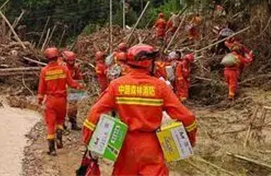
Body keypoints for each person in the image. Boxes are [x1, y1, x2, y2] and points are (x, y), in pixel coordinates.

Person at [81, 44, 197, 176]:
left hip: (125, 148)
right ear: (149, 63)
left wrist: (88, 140)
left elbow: (94, 113)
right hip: (152, 148)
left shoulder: (116, 85)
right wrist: (190, 140)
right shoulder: (160, 87)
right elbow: (187, 117)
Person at [38, 47, 83, 156]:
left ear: (47, 58)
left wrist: (39, 100)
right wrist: (80, 86)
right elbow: (72, 83)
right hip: (62, 100)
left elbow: (41, 89)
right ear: (57, 57)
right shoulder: (64, 69)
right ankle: (59, 136)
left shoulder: (44, 71)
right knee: (60, 120)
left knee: (50, 124)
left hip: (51, 100)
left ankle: (52, 149)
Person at [63, 50, 84, 130]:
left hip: (72, 89)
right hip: (64, 89)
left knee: (74, 107)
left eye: (72, 60)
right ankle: (62, 123)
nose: (71, 62)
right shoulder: (63, 67)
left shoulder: (75, 67)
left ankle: (73, 123)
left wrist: (81, 84)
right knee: (63, 107)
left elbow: (79, 77)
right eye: (70, 60)